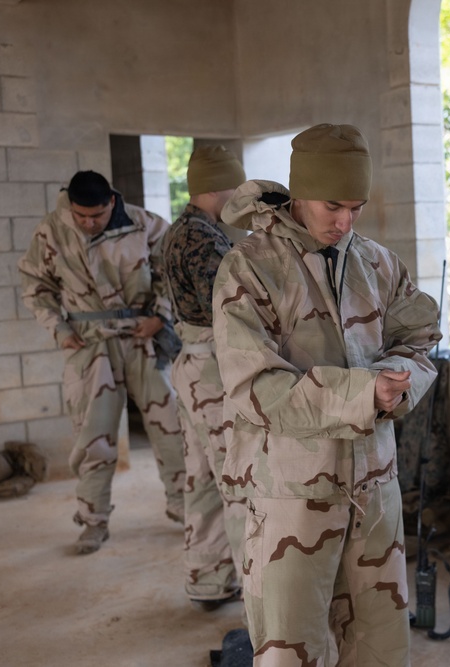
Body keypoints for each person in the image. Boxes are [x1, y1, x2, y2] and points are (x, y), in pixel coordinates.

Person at [212, 123, 441, 667]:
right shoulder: (250, 268)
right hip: (292, 491)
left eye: (357, 208)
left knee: (380, 643)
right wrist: (364, 393)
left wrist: (397, 384)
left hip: (375, 488)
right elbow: (254, 388)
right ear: (299, 193)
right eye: (332, 205)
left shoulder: (379, 264)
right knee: (292, 647)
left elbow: (421, 339)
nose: (345, 222)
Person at [18, 170, 187, 554]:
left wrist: (161, 314)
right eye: (81, 216)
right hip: (89, 343)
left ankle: (185, 507)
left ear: (112, 201)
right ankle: (93, 521)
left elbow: (173, 270)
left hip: (146, 338)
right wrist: (58, 329)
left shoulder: (144, 224)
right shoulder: (52, 231)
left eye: (96, 215)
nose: (89, 223)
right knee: (93, 436)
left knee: (173, 426)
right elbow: (34, 286)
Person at [161, 145, 249, 610]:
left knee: (201, 478)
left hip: (192, 366)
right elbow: (232, 310)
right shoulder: (204, 240)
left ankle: (208, 580)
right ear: (217, 187)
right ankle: (255, 585)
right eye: (235, 187)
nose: (239, 195)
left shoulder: (180, 231)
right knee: (235, 479)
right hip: (213, 371)